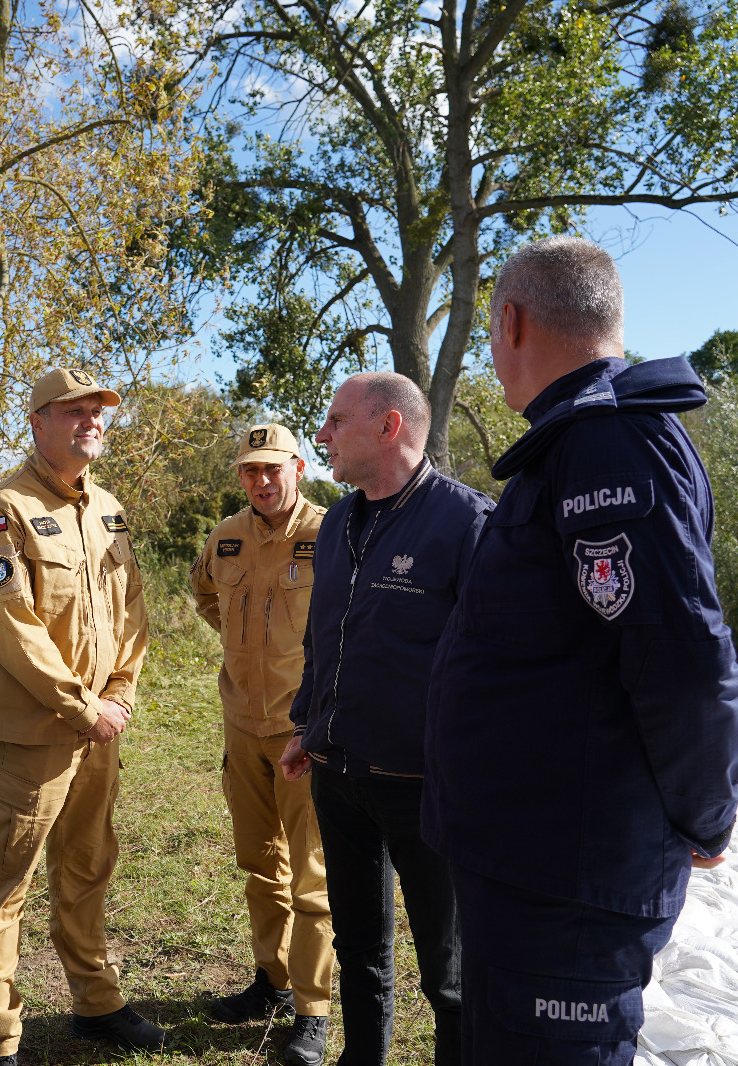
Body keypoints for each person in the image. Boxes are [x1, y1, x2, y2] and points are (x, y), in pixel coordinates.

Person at [423, 237, 738, 1065]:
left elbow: (679, 656)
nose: (495, 355)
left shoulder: (608, 443)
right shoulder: (570, 444)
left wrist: (707, 816)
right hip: (532, 862)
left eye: (495, 336)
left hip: (566, 878)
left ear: (511, 320)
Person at [279, 374, 490, 1066]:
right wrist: (307, 723)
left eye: (337, 421)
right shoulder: (338, 521)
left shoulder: (466, 524)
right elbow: (323, 636)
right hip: (338, 775)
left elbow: (498, 661)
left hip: (427, 787)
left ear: (388, 426)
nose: (323, 434)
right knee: (359, 946)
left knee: (447, 968)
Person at [0, 368, 159, 1062]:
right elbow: (12, 626)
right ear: (37, 422)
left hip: (102, 728)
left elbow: (131, 610)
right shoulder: (2, 508)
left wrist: (122, 693)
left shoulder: (106, 506)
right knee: (7, 883)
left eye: (97, 412)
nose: (90, 422)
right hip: (33, 735)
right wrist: (83, 706)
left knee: (87, 867)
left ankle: (95, 1002)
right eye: (73, 412)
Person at [189, 424, 333, 1065]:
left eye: (273, 468)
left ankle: (313, 1009)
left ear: (298, 468)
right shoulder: (224, 537)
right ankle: (271, 979)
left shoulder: (333, 534)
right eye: (251, 471)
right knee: (259, 864)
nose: (262, 481)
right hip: (241, 727)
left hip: (304, 735)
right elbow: (205, 597)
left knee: (312, 875)